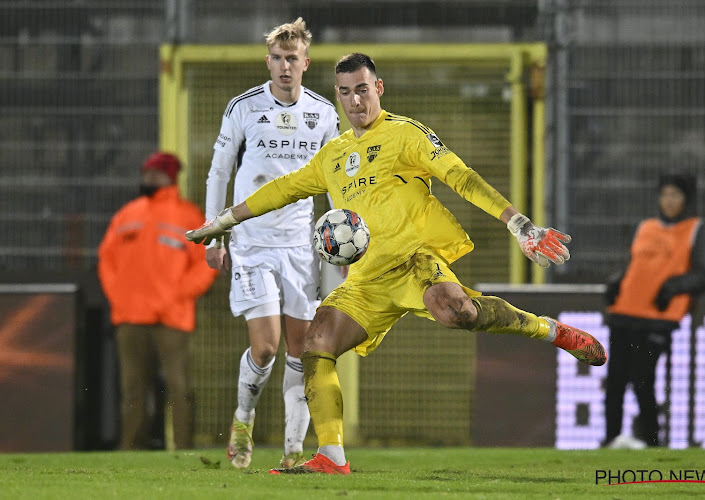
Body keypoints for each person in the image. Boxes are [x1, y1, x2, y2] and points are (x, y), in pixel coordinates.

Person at [186, 53, 607, 474]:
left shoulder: (406, 134)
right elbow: (281, 190)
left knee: (460, 312)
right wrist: (221, 221)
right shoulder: (332, 156)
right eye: (346, 93)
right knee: (316, 343)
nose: (355, 101)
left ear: (379, 88)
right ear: (338, 96)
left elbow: (460, 176)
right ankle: (331, 458)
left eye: (363, 90)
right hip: (368, 278)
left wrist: (518, 223)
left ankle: (552, 330)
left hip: (416, 260)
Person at [203, 18, 340, 469]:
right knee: (266, 347)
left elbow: (337, 180)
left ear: (305, 62)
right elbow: (220, 171)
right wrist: (214, 230)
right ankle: (244, 418)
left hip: (301, 245)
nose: (285, 67)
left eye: (292, 59)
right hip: (252, 242)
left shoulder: (323, 113)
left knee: (301, 350)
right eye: (278, 59)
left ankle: (292, 450)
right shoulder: (243, 107)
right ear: (269, 62)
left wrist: (342, 239)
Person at [98, 152, 218, 450]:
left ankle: (183, 448)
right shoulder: (126, 215)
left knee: (179, 387)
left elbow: (204, 263)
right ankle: (130, 450)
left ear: (169, 177)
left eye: (154, 175)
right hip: (130, 318)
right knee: (132, 390)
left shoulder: (189, 216)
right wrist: (120, 298)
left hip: (172, 318)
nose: (147, 180)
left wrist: (175, 296)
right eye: (146, 174)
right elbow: (106, 259)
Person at [603, 172, 705, 448]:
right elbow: (635, 265)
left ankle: (651, 440)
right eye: (665, 194)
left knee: (643, 380)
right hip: (625, 312)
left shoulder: (697, 229)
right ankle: (610, 440)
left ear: (686, 199)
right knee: (615, 382)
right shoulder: (645, 227)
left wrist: (672, 287)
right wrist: (617, 281)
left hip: (657, 319)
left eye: (675, 194)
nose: (668, 200)